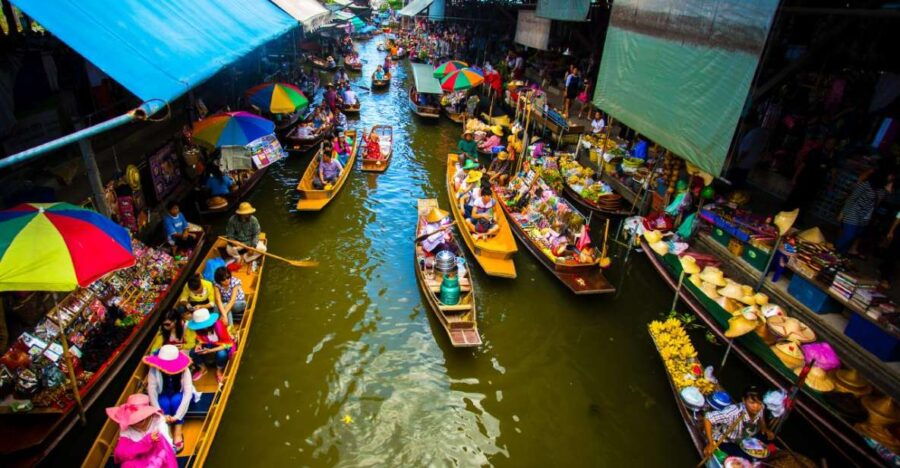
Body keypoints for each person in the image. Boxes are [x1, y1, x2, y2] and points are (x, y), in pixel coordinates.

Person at [143, 345, 195, 453]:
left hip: (178, 394)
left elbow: (187, 393)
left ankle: (178, 430)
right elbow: (152, 393)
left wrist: (177, 416)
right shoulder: (154, 370)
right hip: (163, 394)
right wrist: (162, 415)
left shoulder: (184, 370)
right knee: (163, 402)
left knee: (177, 400)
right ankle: (166, 429)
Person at [106, 393, 177, 468]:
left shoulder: (157, 422)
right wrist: (145, 442)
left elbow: (167, 449)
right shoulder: (127, 429)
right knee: (127, 464)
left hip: (159, 458)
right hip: (140, 458)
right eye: (134, 419)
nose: (137, 420)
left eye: (140, 417)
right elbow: (121, 453)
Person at [702, 386, 774, 458]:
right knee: (745, 458)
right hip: (728, 440)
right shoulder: (733, 412)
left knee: (771, 445)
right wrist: (710, 443)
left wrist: (765, 429)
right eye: (752, 402)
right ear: (744, 400)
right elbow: (708, 418)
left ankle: (769, 455)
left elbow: (761, 417)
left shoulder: (761, 407)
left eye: (759, 403)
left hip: (746, 435)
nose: (756, 406)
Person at [837, 173, 886, 255]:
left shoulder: (882, 191)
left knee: (852, 238)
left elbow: (876, 205)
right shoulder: (866, 185)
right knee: (849, 235)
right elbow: (852, 198)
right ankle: (834, 250)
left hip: (865, 217)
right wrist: (842, 213)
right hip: (854, 212)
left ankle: (840, 255)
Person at [187, 308, 234, 384]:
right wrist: (199, 345)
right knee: (193, 352)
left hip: (222, 345)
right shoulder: (198, 330)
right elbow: (200, 339)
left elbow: (227, 344)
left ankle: (219, 370)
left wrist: (210, 351)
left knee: (222, 354)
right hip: (208, 344)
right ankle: (203, 368)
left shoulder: (219, 325)